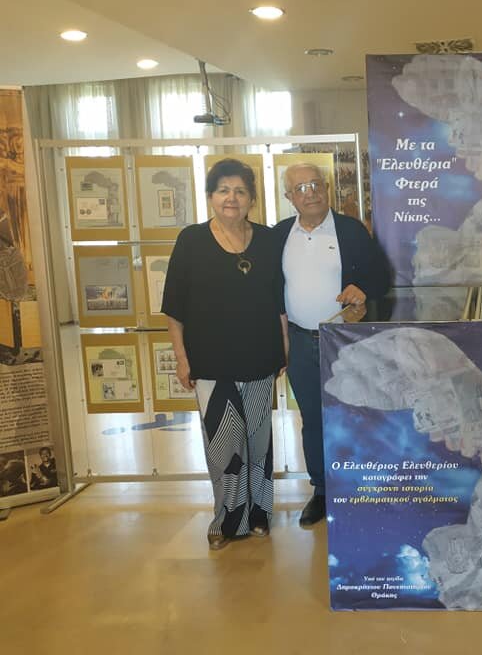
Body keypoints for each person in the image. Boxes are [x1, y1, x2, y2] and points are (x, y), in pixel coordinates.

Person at [162, 158, 285, 551]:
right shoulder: (191, 240)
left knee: (259, 441)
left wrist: (284, 349)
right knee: (222, 444)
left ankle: (259, 512)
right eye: (223, 190)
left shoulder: (268, 240)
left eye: (240, 191)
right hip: (210, 360)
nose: (232, 198)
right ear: (211, 196)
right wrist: (182, 359)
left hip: (260, 356)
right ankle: (228, 518)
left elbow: (279, 302)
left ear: (252, 198)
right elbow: (174, 308)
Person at [275, 162, 389, 527]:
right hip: (299, 341)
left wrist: (363, 289)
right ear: (289, 196)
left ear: (327, 188)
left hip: (344, 342)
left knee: (356, 415)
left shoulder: (351, 230)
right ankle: (322, 490)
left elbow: (381, 277)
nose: (310, 193)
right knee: (312, 420)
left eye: (315, 184)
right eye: (300, 188)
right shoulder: (279, 236)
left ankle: (359, 488)